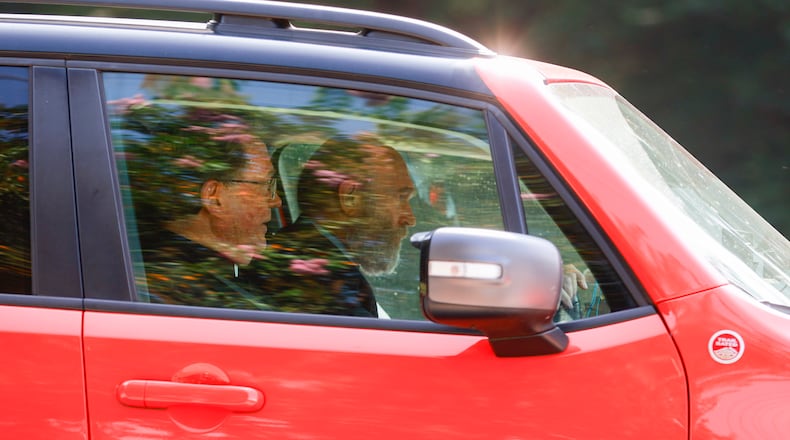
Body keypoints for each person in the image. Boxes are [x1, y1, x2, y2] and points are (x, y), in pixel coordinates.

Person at [120, 107, 283, 309]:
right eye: (266, 186)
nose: (276, 201)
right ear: (214, 198)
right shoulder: (172, 289)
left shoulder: (201, 272)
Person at [252, 135, 417, 317]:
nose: (410, 218)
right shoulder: (316, 280)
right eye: (401, 197)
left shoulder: (304, 257)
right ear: (350, 197)